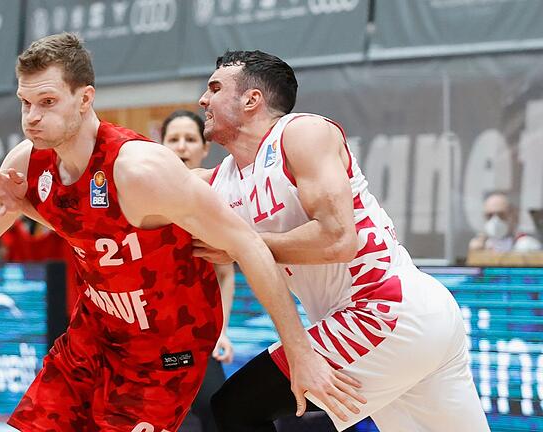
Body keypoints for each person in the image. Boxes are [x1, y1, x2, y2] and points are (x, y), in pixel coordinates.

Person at [0, 34, 364, 432]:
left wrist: (297, 351)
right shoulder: (30, 165)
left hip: (166, 349)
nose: (32, 117)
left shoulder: (140, 169)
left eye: (47, 102)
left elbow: (248, 245)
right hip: (94, 335)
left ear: (85, 99)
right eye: (25, 103)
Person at [190, 50, 490, 431]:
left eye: (215, 88)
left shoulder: (302, 133)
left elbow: (337, 238)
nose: (203, 100)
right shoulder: (221, 180)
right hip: (405, 324)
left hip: (384, 309)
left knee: (237, 407)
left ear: (252, 99)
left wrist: (242, 246)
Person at [160, 110, 235, 432]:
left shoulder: (217, 201)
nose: (182, 147)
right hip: (149, 338)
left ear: (205, 149)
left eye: (190, 139)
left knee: (214, 408)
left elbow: (225, 273)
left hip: (198, 336)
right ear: (160, 146)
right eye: (173, 139)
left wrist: (221, 331)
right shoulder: (140, 200)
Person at [468, 191, 541, 253]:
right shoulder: (481, 245)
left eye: (501, 215)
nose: (495, 220)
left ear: (514, 216)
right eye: (489, 216)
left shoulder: (528, 246)